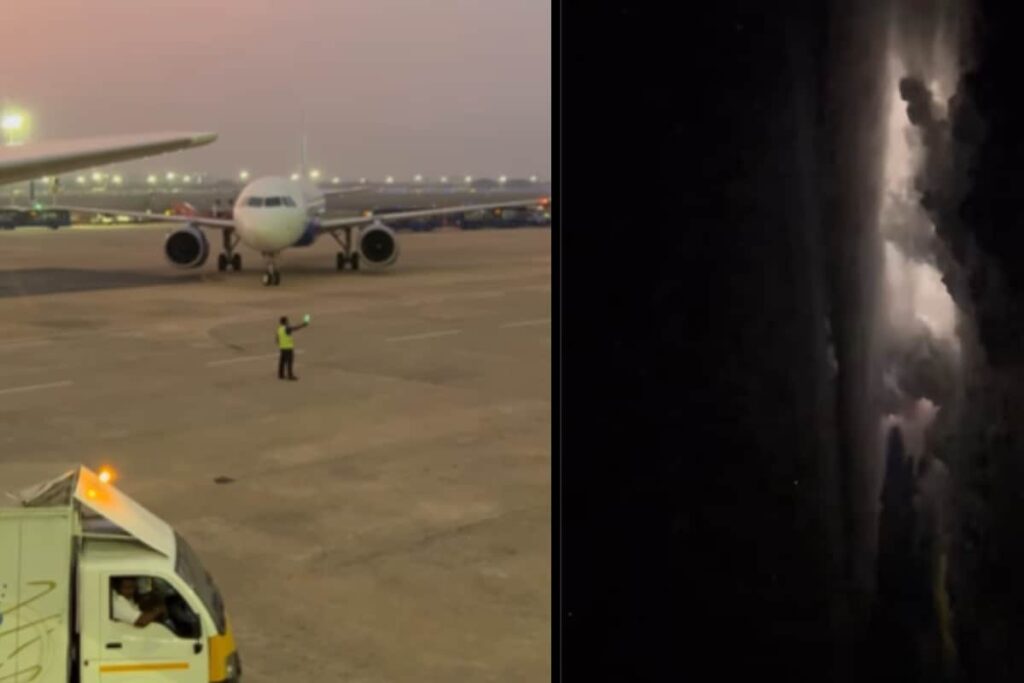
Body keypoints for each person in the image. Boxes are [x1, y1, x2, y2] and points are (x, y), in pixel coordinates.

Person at [277, 315, 309, 380]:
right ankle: (290, 375)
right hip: (288, 347)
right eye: (287, 321)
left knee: (282, 361)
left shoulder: (279, 329)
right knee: (289, 362)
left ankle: (281, 374)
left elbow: (277, 339)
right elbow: (295, 328)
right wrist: (304, 324)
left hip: (282, 347)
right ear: (285, 322)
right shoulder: (286, 328)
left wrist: (280, 344)